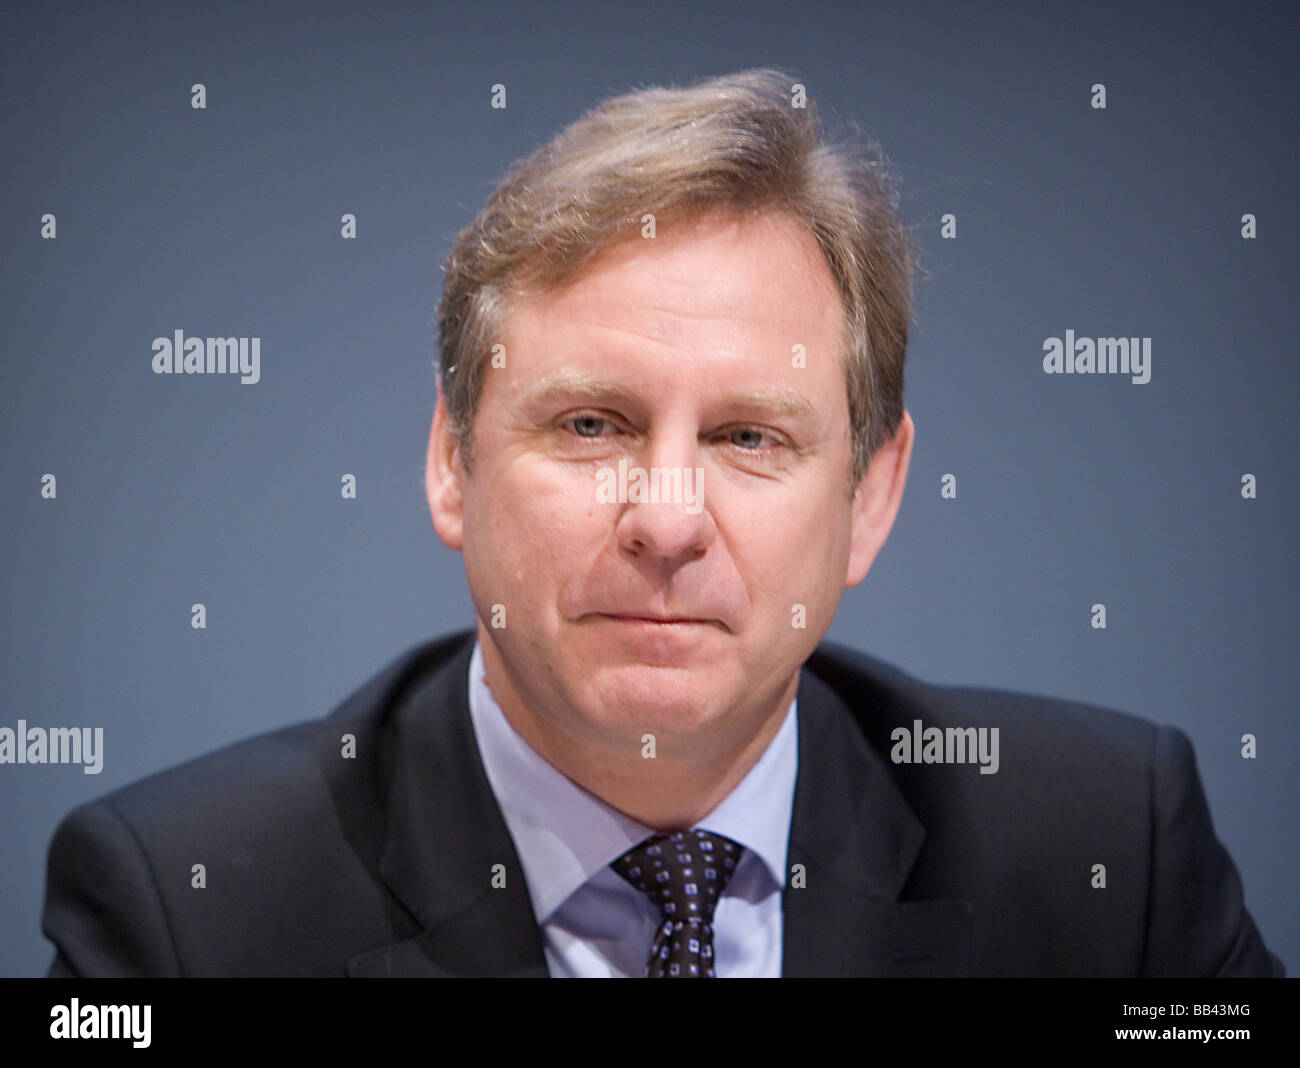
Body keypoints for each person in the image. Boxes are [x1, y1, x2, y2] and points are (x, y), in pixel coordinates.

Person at [41, 67, 1282, 978]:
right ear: (449, 464)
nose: (668, 520)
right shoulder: (182, 917)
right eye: (591, 425)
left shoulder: (1109, 859)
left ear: (872, 499)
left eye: (751, 438)